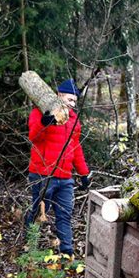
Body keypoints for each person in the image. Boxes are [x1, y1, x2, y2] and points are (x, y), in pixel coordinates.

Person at [25, 78, 91, 255]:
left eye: (75, 101)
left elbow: (76, 149)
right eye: (70, 99)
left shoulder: (74, 121)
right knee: (37, 213)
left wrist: (84, 173)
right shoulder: (40, 113)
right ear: (59, 95)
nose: (72, 104)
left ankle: (67, 252)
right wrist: (45, 123)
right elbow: (33, 137)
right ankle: (30, 248)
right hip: (42, 175)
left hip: (65, 178)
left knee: (64, 214)